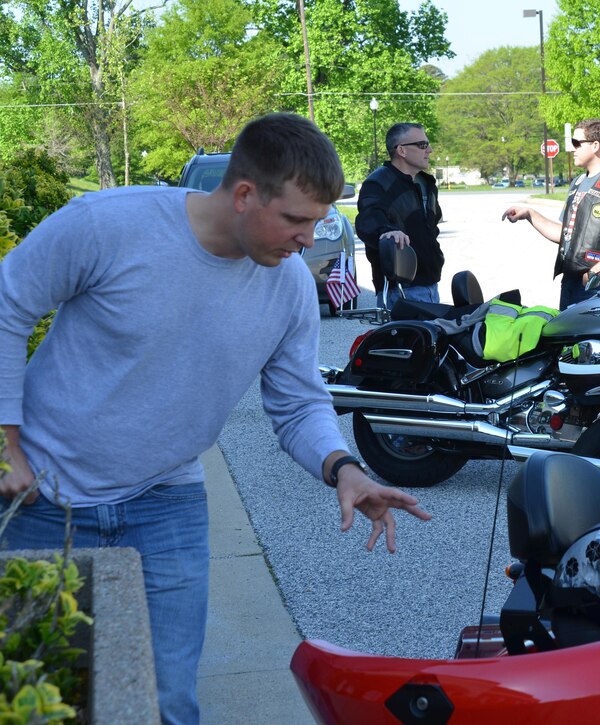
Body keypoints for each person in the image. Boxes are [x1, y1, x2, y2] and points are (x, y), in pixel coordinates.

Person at [0, 113, 431, 725]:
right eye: (296, 219)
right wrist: (5, 443)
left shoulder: (286, 286)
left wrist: (344, 469)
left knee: (166, 702)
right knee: (43, 696)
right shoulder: (107, 225)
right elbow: (7, 306)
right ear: (245, 193)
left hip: (164, 502)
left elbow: (298, 402)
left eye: (318, 221)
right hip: (41, 500)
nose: (309, 240)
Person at [501, 118, 600, 310]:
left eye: (576, 143)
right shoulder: (578, 182)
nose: (572, 149)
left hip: (598, 286)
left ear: (595, 145)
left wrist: (596, 272)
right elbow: (566, 235)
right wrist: (530, 214)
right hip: (571, 281)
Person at [356, 122, 444, 309]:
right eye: (422, 145)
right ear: (401, 150)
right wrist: (387, 231)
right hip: (400, 291)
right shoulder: (379, 183)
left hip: (430, 286)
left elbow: (432, 227)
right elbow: (368, 219)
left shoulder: (425, 183)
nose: (429, 149)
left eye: (428, 144)